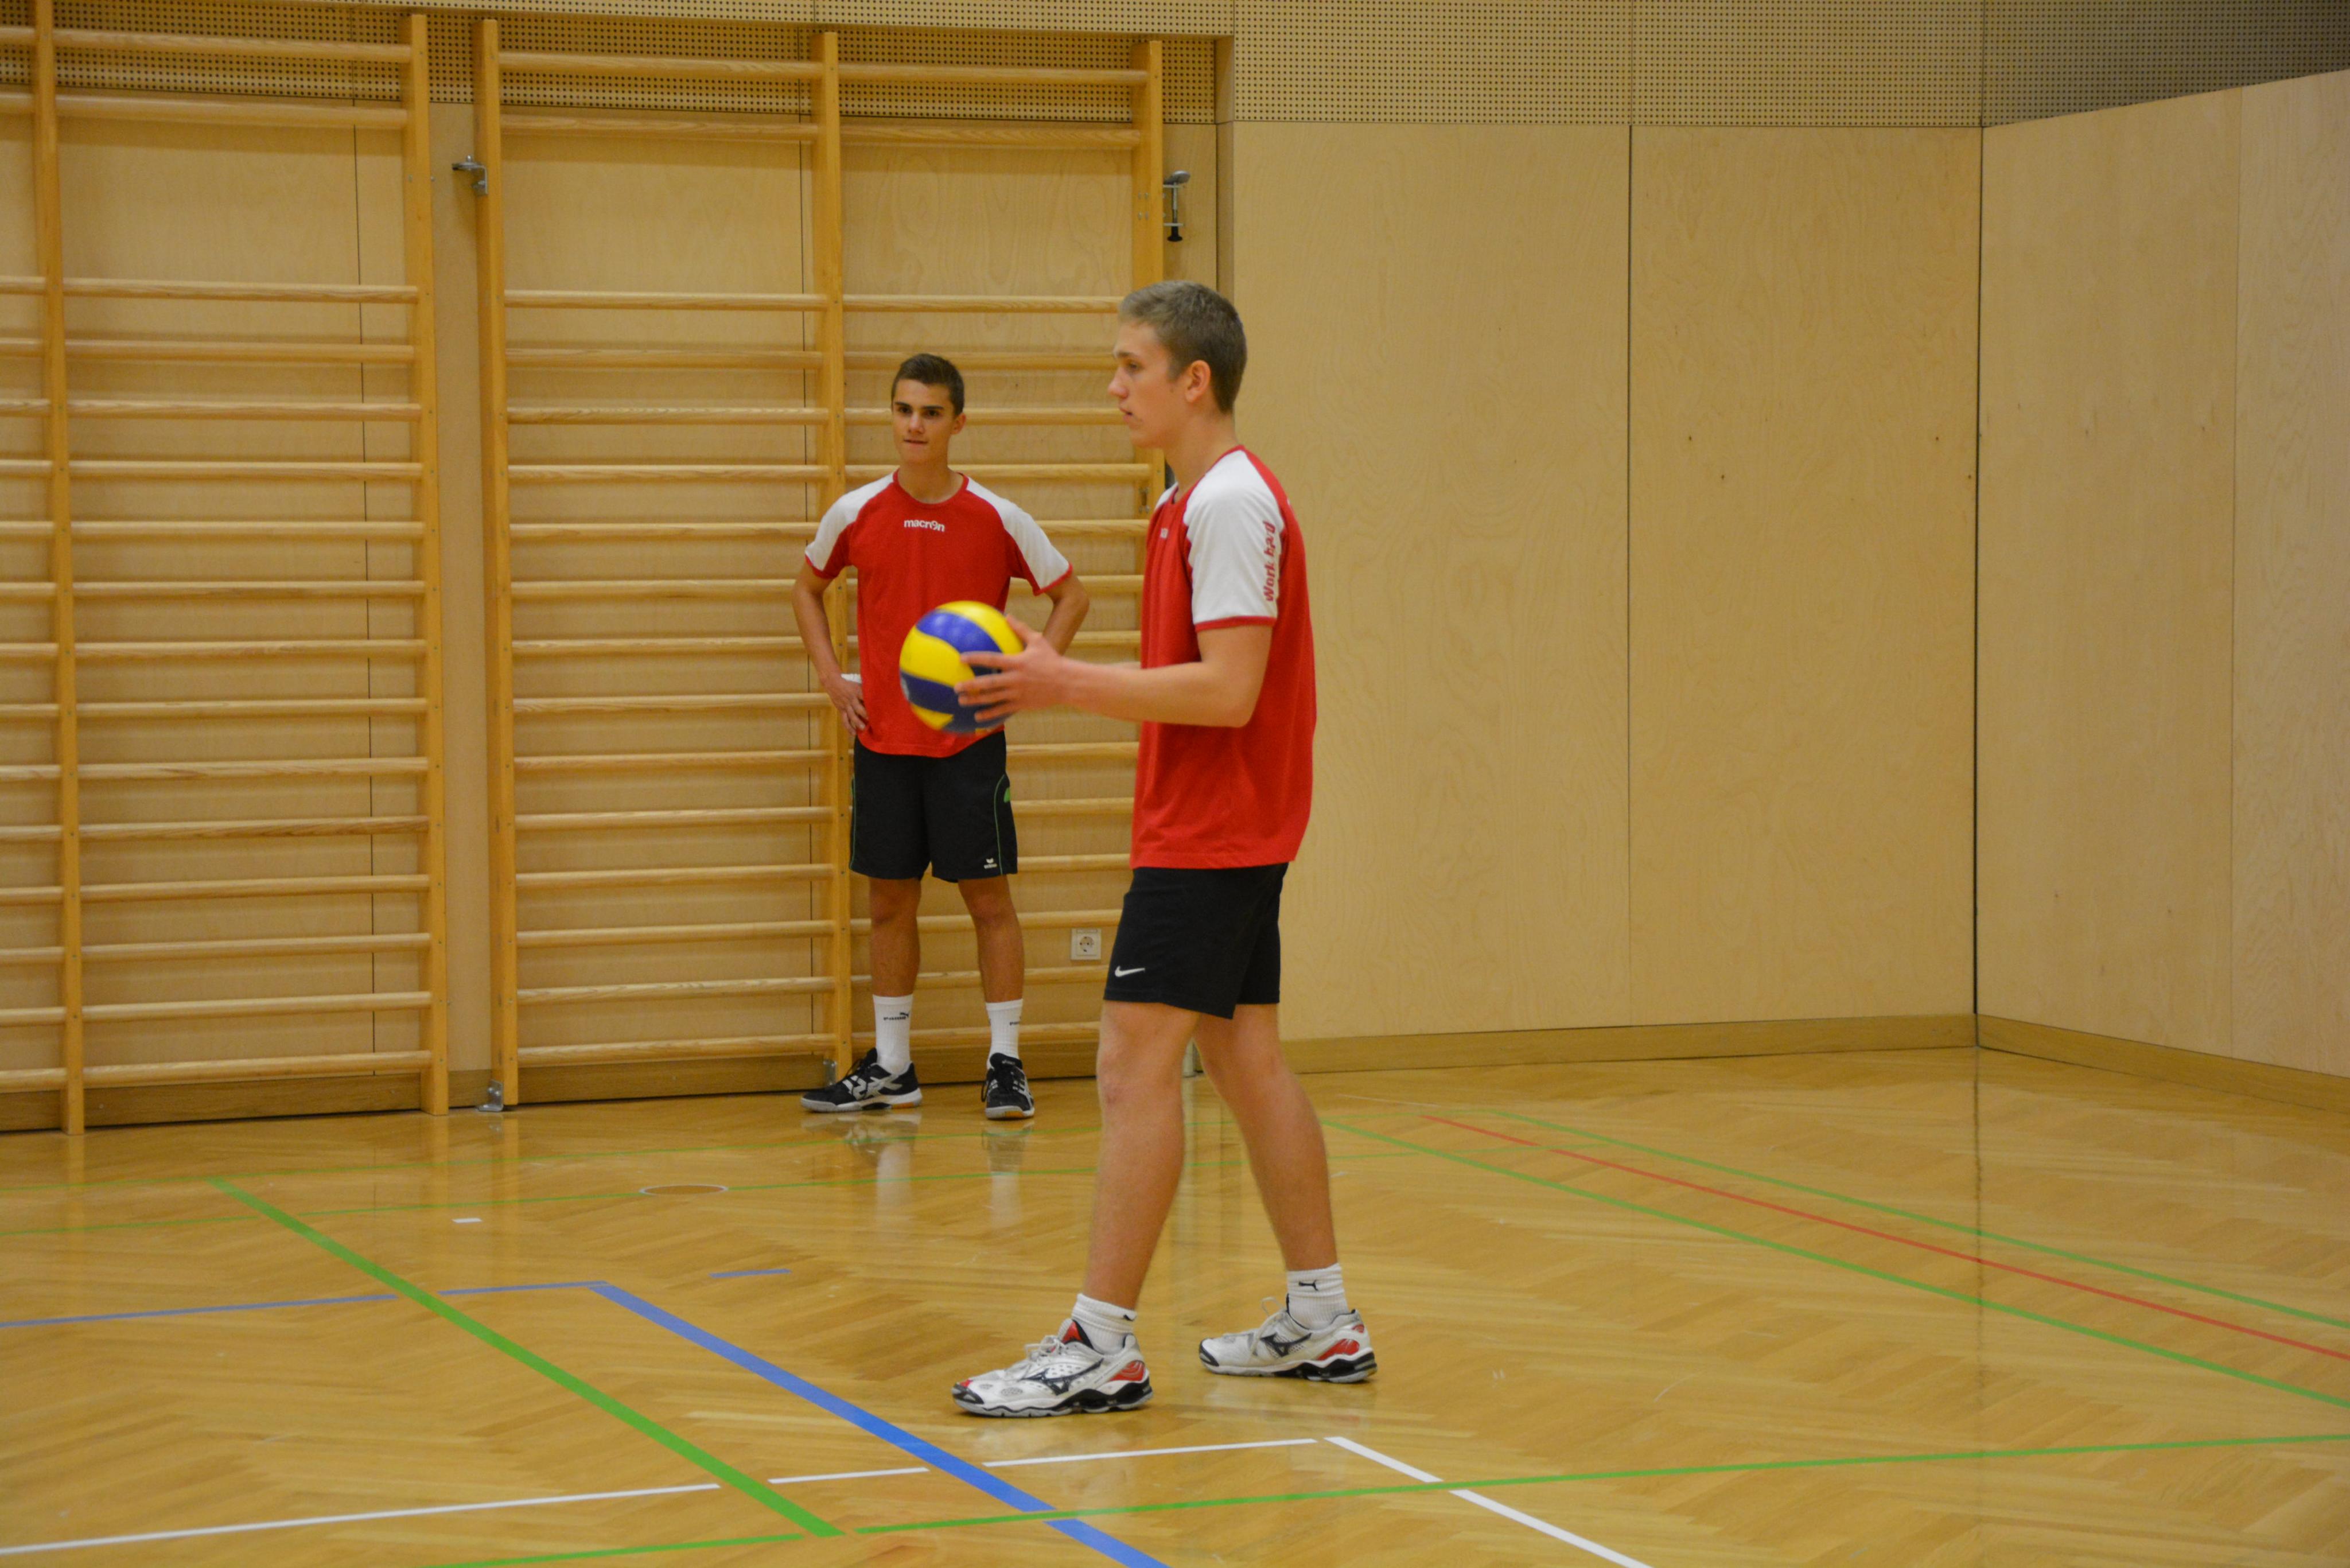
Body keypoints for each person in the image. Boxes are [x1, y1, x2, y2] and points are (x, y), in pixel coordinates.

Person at [946, 282, 1371, 1417]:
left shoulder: (1228, 503)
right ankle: (1323, 1318)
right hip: (1223, 825)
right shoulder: (1188, 504)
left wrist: (1060, 681)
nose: (1114, 387)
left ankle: (1100, 1343)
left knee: (1130, 1067)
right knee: (1244, 1059)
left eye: (1132, 366)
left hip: (1216, 831)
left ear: (1194, 380)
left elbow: (1230, 691)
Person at [791, 353, 1091, 1121]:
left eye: (930, 413)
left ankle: (1005, 1064)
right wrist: (833, 678)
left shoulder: (997, 515)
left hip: (967, 748)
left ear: (959, 422)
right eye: (903, 410)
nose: (915, 425)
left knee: (989, 902)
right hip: (884, 745)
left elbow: (1071, 594)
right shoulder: (855, 511)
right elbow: (806, 587)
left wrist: (1029, 677)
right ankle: (894, 1067)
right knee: (889, 904)